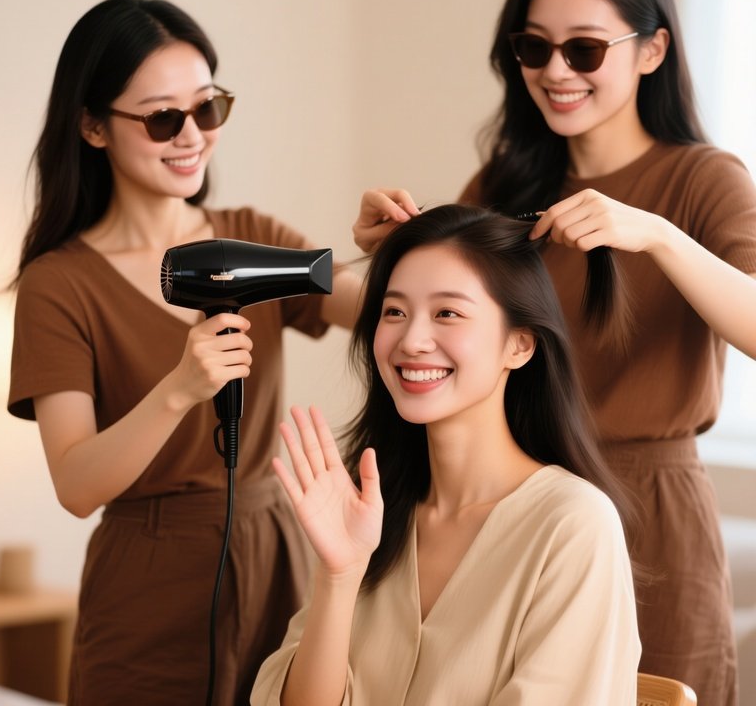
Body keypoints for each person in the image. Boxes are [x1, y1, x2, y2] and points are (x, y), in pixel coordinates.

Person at [352, 0, 756, 705]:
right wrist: (382, 255)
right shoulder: (504, 183)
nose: (555, 72)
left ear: (652, 51)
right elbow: (427, 328)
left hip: (653, 517)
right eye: (533, 50)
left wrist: (656, 236)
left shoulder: (703, 181)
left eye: (585, 50)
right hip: (521, 504)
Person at [7, 0, 362, 706]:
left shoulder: (245, 235)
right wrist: (178, 389)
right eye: (164, 118)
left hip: (275, 561)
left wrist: (395, 249)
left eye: (208, 109)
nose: (193, 136)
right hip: (147, 582)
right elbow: (77, 485)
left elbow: (375, 306)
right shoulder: (60, 284)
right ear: (93, 126)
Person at [252, 204, 641, 705]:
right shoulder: (370, 512)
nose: (411, 340)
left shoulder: (573, 524)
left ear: (519, 345)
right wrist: (339, 576)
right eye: (394, 311)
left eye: (447, 313)